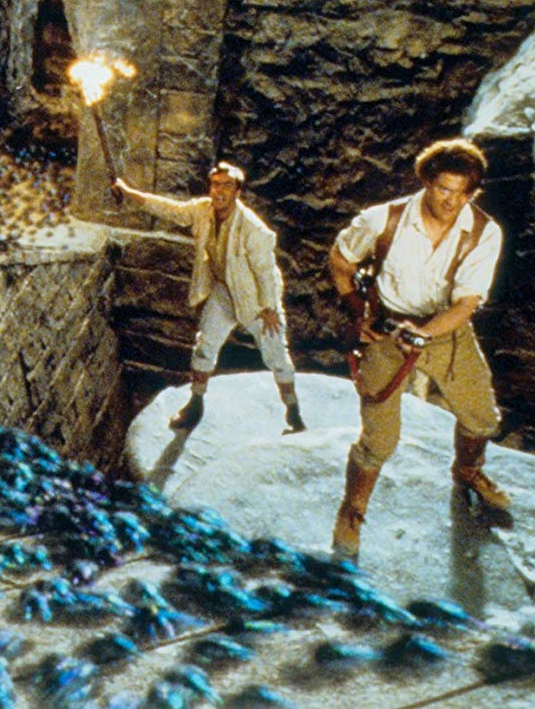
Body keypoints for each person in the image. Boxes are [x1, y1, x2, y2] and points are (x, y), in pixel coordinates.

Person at [326, 138, 508, 560]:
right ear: (426, 181)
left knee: (482, 417)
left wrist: (425, 333)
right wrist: (359, 312)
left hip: (446, 331)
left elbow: (466, 303)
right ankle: (352, 511)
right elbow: (340, 261)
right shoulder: (382, 220)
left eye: (461, 192)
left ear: (472, 192)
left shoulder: (483, 232)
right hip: (388, 331)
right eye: (443, 189)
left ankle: (467, 471)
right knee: (380, 440)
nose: (451, 201)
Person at [114, 163, 305, 433]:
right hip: (223, 292)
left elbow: (266, 273)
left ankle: (292, 409)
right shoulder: (203, 211)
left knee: (277, 356)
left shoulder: (253, 229)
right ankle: (195, 402)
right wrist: (129, 193)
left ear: (237, 192)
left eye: (227, 186)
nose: (219, 191)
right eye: (215, 184)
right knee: (204, 347)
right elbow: (170, 209)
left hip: (256, 302)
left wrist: (270, 308)